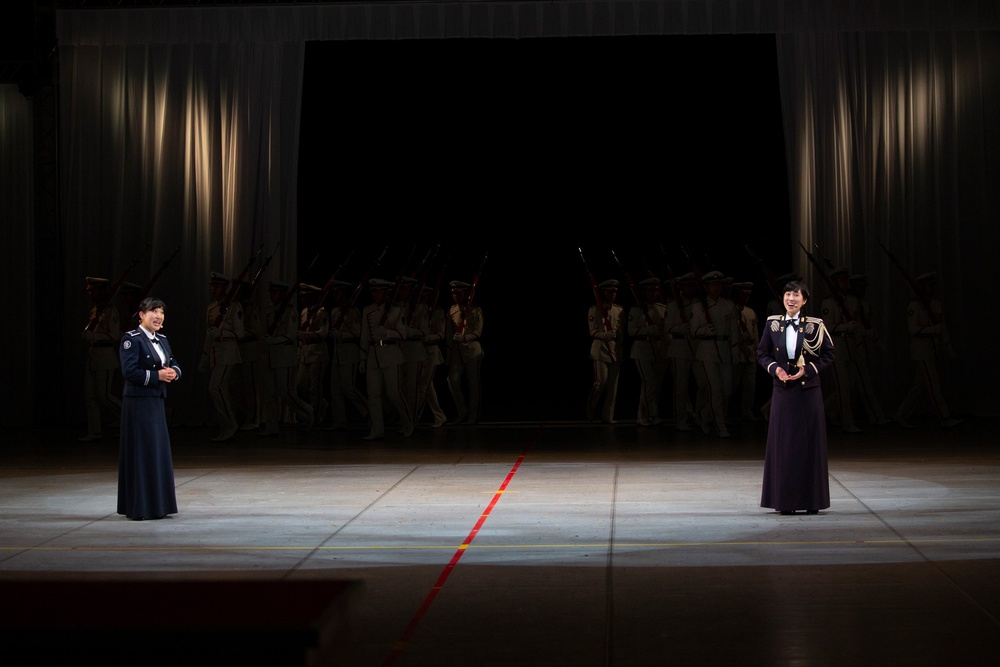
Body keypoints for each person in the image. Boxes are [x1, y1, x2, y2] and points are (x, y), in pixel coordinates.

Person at [757, 280, 835, 515]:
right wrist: (775, 369)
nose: (791, 299)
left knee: (810, 444)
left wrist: (808, 370)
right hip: (783, 390)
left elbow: (829, 353)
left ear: (805, 300)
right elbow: (762, 353)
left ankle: (812, 501)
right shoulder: (773, 324)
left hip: (807, 391)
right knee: (786, 445)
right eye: (788, 295)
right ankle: (786, 502)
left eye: (796, 295)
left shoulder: (815, 325)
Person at [117, 297, 181, 521]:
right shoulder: (131, 339)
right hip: (138, 403)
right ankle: (140, 507)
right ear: (141, 315)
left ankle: (158, 506)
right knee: (141, 454)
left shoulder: (162, 339)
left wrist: (173, 372)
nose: (158, 316)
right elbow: (130, 372)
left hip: (156, 402)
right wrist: (157, 376)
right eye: (153, 311)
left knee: (157, 453)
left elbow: (172, 362)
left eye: (161, 312)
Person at [894, 272, 963, 429]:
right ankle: (944, 417)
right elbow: (914, 330)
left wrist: (948, 347)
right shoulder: (914, 306)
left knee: (919, 387)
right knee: (933, 385)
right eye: (928, 285)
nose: (931, 288)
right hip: (921, 351)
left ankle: (901, 415)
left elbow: (942, 327)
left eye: (933, 285)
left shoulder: (935, 304)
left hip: (932, 350)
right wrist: (933, 330)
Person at [359, 278, 414, 440]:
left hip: (390, 354)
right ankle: (377, 430)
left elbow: (403, 334)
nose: (375, 294)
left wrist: (388, 333)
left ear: (386, 293)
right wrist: (362, 358)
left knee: (394, 393)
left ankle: (408, 423)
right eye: (373, 292)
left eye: (379, 291)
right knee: (373, 395)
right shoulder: (367, 311)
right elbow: (364, 336)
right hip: (373, 355)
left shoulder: (395, 311)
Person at [259, 281, 314, 435]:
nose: (272, 295)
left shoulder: (291, 312)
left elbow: (291, 335)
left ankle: (306, 410)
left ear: (282, 294)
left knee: (285, 392)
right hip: (270, 357)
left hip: (284, 357)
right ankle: (271, 426)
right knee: (270, 393)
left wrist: (274, 340)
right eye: (271, 292)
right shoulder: (269, 311)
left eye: (275, 292)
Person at [690, 270, 740, 438]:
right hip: (707, 350)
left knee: (727, 389)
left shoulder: (728, 305)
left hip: (724, 348)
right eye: (712, 284)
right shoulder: (698, 306)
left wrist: (735, 350)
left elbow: (734, 330)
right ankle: (720, 427)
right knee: (715, 389)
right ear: (706, 287)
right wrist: (703, 330)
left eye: (718, 284)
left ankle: (705, 413)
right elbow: (693, 330)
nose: (716, 287)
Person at [200, 272, 243, 442]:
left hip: (228, 353)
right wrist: (204, 358)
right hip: (216, 354)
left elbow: (239, 333)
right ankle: (227, 426)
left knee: (215, 388)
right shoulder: (211, 308)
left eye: (216, 285)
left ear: (225, 287)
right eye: (212, 285)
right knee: (220, 389)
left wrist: (222, 333)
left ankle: (231, 424)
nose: (213, 288)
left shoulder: (234, 306)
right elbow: (208, 335)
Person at [80, 276, 122, 442]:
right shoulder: (96, 310)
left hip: (105, 357)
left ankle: (129, 417)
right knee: (90, 397)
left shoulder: (111, 312)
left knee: (103, 395)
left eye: (94, 291)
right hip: (93, 357)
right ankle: (95, 432)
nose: (91, 294)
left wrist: (94, 336)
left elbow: (114, 336)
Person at [326, 279, 369, 431]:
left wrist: (341, 335)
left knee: (348, 387)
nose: (335, 294)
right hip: (338, 353)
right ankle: (339, 421)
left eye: (338, 291)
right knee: (335, 389)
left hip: (349, 352)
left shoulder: (353, 311)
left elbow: (357, 333)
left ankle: (368, 410)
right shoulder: (335, 311)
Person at [627, 276, 669, 427]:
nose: (654, 293)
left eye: (656, 290)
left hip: (658, 348)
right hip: (641, 349)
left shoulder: (662, 308)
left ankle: (651, 414)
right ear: (644, 291)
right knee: (649, 382)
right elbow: (631, 331)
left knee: (654, 384)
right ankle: (645, 415)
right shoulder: (636, 309)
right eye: (651, 290)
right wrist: (646, 330)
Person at [445, 280, 484, 425]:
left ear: (466, 294)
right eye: (454, 293)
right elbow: (449, 334)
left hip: (472, 350)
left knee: (473, 385)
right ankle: (462, 411)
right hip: (456, 352)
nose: (456, 296)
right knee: (452, 381)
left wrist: (465, 337)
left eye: (459, 293)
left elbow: (477, 331)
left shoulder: (475, 310)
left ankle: (473, 417)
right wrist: (449, 354)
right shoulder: (452, 310)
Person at [586, 278, 624, 424]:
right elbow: (593, 331)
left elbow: (621, 330)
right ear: (603, 292)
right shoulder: (595, 309)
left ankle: (608, 415)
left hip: (615, 350)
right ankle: (591, 407)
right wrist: (605, 335)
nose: (613, 294)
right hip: (600, 349)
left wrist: (617, 337)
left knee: (613, 386)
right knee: (600, 383)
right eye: (610, 292)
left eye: (615, 291)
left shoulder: (619, 310)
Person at [665, 273, 699, 430]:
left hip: (698, 346)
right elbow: (667, 329)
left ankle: (698, 415)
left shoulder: (699, 304)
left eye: (693, 284)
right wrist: (679, 328)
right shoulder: (673, 306)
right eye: (688, 285)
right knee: (681, 387)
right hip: (679, 347)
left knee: (704, 385)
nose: (691, 288)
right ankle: (680, 420)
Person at [414, 285, 448, 428]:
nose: (423, 298)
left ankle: (414, 416)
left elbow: (440, 334)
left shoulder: (437, 312)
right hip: (419, 352)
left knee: (424, 387)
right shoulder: (418, 311)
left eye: (425, 295)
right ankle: (439, 416)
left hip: (431, 352)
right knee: (427, 387)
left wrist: (426, 338)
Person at [297, 283, 330, 427]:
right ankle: (320, 404)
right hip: (305, 353)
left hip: (318, 353)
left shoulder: (321, 312)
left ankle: (315, 416)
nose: (303, 300)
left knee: (314, 387)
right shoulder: (304, 312)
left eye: (306, 297)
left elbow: (324, 333)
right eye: (302, 297)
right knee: (300, 385)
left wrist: (306, 335)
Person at [730, 281, 761, 422]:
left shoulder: (750, 312)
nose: (746, 298)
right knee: (731, 385)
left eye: (748, 295)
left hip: (750, 353)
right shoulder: (731, 311)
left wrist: (757, 348)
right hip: (738, 353)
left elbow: (755, 333)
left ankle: (746, 411)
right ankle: (725, 411)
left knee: (750, 386)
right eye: (743, 294)